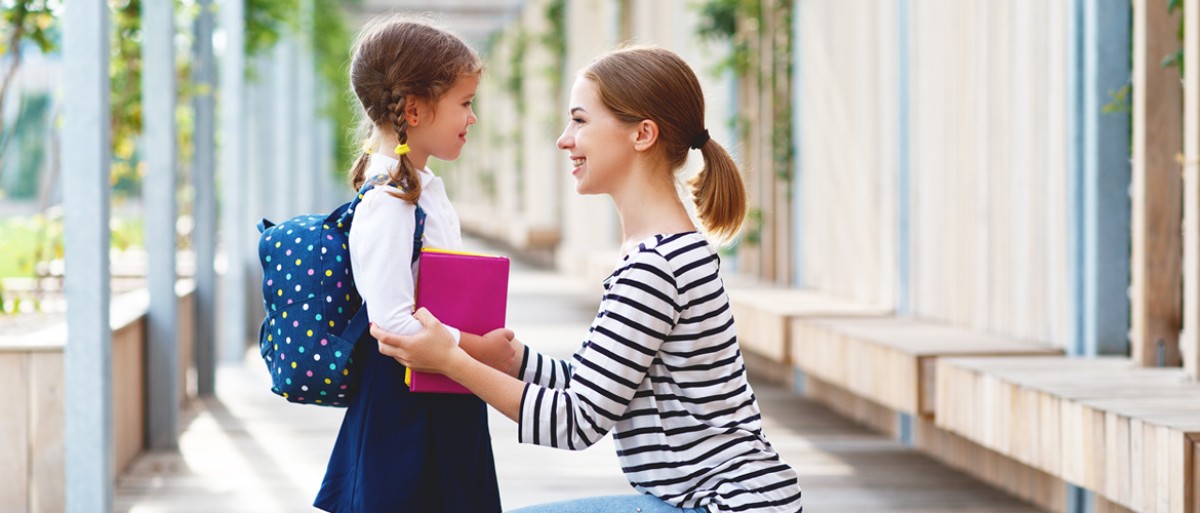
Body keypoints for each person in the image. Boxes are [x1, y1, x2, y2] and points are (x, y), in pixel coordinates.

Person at [373, 46, 804, 513]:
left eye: (579, 121)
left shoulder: (654, 267)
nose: (564, 140)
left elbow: (574, 422)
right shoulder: (667, 249)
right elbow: (593, 385)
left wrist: (452, 361)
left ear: (642, 134)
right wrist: (513, 359)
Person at [313, 16, 515, 513]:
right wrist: (477, 348)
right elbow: (393, 326)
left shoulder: (419, 191)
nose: (472, 119)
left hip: (438, 392)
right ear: (414, 109)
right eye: (465, 104)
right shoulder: (389, 205)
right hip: (406, 411)